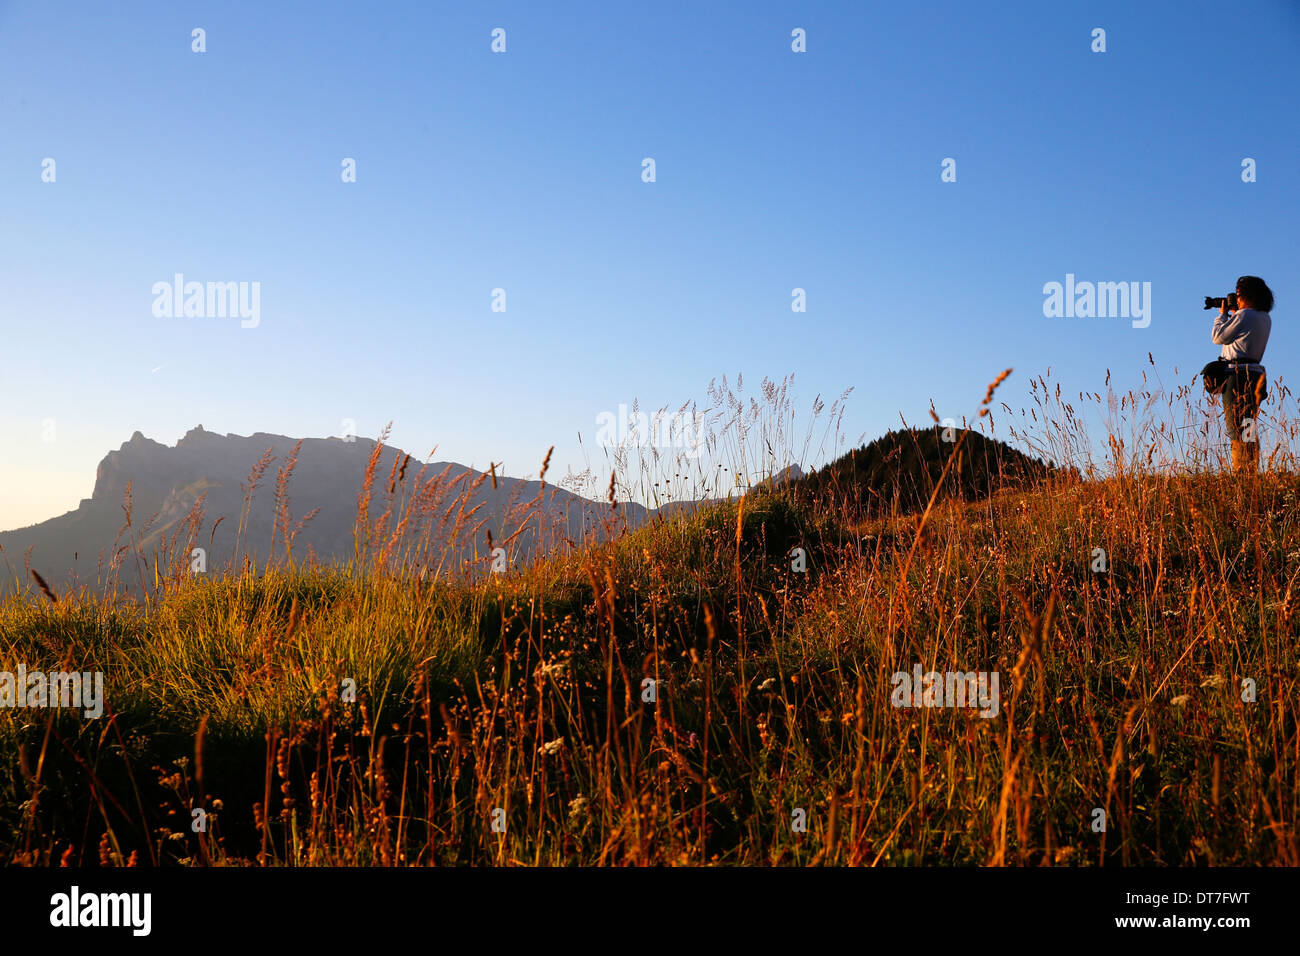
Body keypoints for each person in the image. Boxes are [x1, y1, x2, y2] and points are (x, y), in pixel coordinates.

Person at [1204, 276, 1273, 474]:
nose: (1238, 299)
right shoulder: (1264, 317)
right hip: (1255, 375)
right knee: (1248, 424)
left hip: (1237, 376)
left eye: (1239, 295)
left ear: (1248, 295)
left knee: (1236, 426)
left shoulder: (1244, 316)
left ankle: (1241, 472)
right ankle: (1251, 469)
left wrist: (1223, 316)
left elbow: (1218, 337)